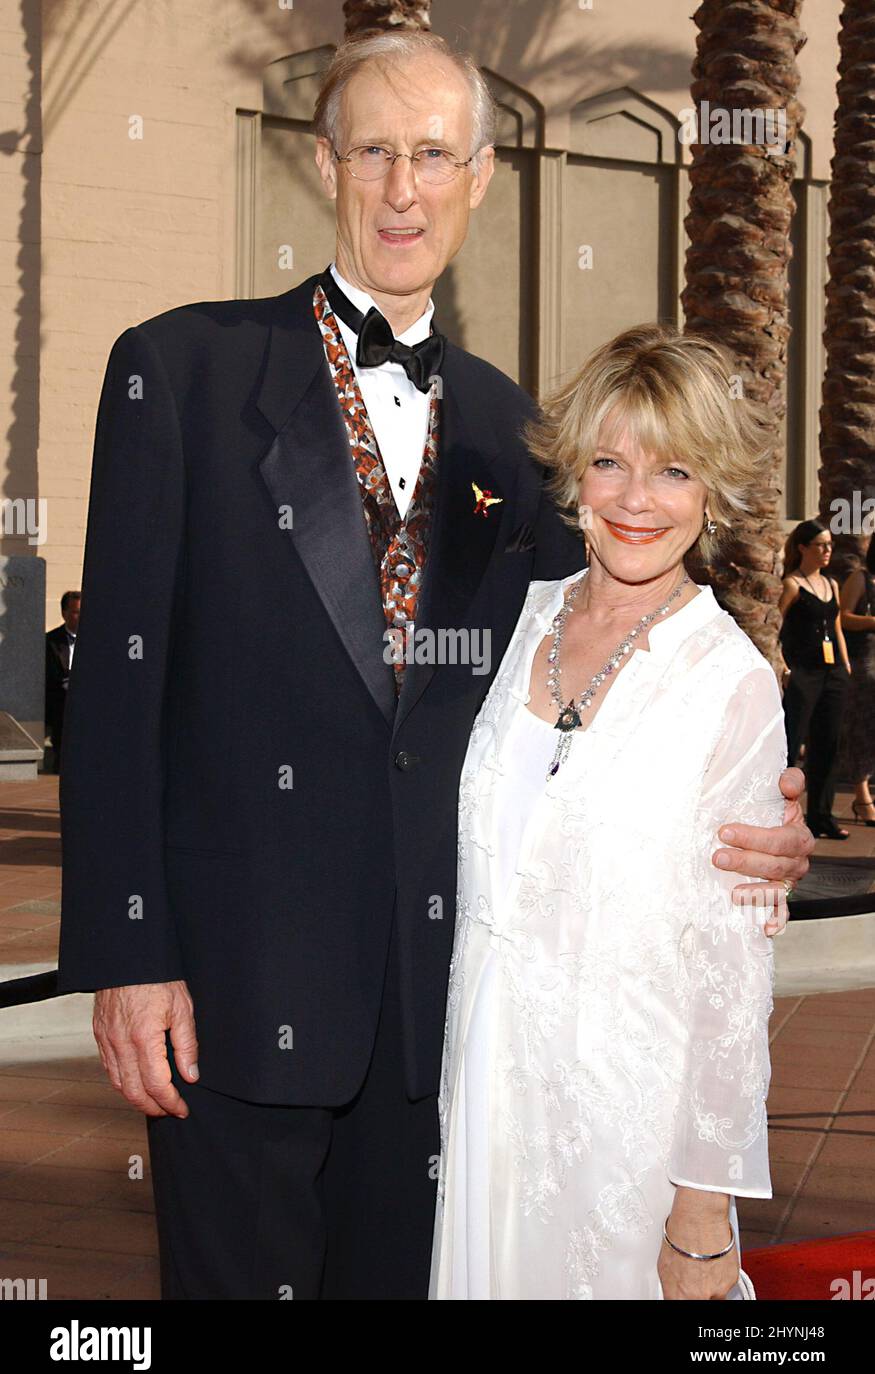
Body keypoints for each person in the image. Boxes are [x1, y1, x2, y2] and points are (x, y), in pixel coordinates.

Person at [57, 31, 812, 1302]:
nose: (402, 189)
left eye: (432, 156)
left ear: (478, 176)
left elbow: (587, 672)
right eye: (374, 152)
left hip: (440, 1034)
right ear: (324, 164)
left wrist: (748, 823)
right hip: (229, 1005)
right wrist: (129, 957)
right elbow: (114, 695)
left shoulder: (518, 442)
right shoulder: (178, 371)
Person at [430, 324, 789, 1301]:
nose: (636, 499)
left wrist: (701, 1213)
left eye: (672, 469)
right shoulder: (521, 615)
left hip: (627, 1131)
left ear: (712, 488)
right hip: (481, 1101)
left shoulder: (730, 683)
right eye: (608, 462)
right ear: (571, 477)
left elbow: (730, 975)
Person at [779, 520, 852, 840]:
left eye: (830, 545)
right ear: (802, 548)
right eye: (821, 545)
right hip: (803, 673)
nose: (827, 551)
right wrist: (783, 666)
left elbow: (836, 628)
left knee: (828, 745)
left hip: (833, 672)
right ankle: (779, 815)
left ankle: (821, 816)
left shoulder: (832, 584)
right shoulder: (792, 585)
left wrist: (845, 665)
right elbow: (775, 627)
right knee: (791, 746)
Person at [839, 533, 875, 826]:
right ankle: (862, 796)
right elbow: (844, 617)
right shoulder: (862, 578)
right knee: (863, 727)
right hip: (867, 663)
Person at [45, 590, 80, 774]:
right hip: (61, 701)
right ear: (64, 614)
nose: (81, 617)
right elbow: (48, 678)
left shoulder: (97, 641)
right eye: (76, 612)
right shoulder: (50, 641)